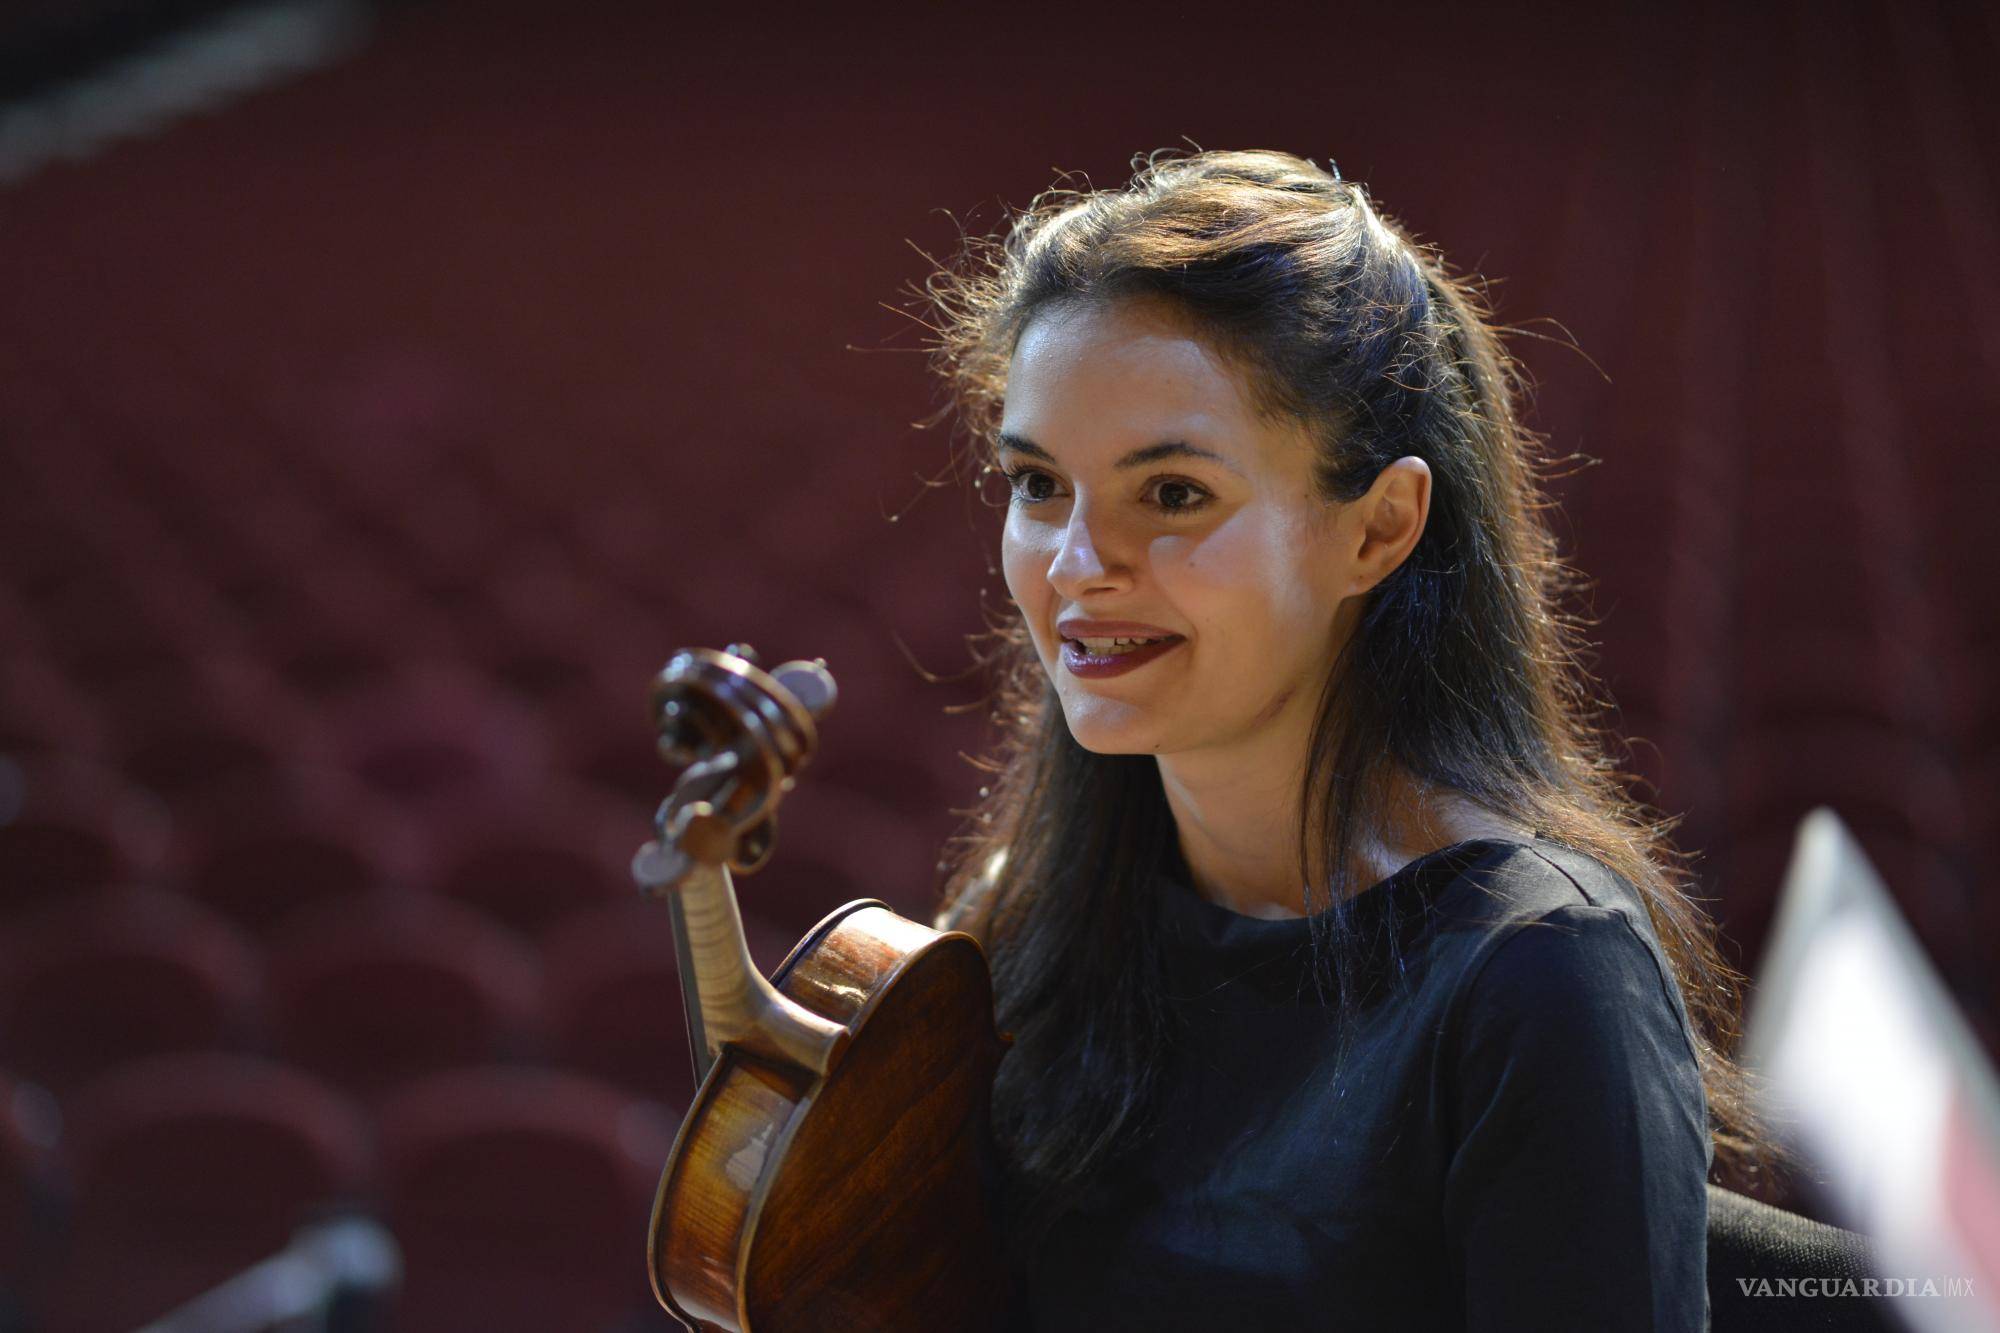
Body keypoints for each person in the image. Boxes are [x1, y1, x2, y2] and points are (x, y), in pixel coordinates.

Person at [920, 148, 1783, 1330]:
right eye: (1035, 484)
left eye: (1170, 493)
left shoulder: (1541, 977)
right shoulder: (1036, 909)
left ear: (1377, 530)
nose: (1074, 566)